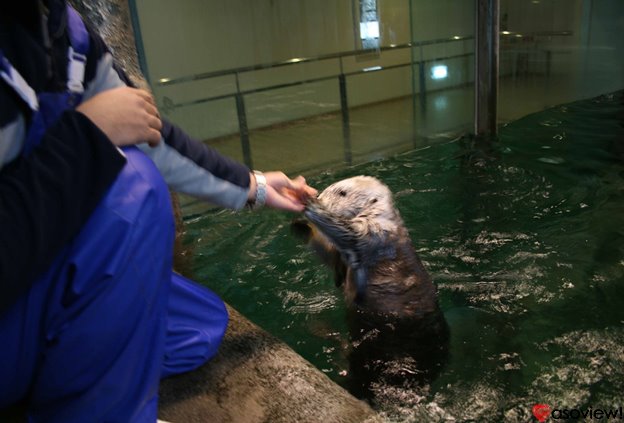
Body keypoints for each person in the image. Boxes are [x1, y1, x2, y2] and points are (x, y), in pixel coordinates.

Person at [0, 1, 316, 422]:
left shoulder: (63, 29)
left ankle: (61, 378)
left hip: (33, 274)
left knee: (199, 326)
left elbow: (144, 128)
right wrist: (87, 138)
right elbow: (109, 136)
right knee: (133, 186)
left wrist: (254, 186)